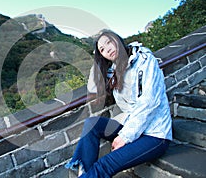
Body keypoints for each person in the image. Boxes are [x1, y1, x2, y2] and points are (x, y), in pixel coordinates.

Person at [65, 30, 172, 177]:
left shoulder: (145, 60)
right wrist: (98, 62)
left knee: (104, 164)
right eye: (102, 49)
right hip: (132, 127)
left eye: (109, 42)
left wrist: (125, 137)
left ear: (117, 40)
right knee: (92, 124)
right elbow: (93, 87)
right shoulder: (114, 71)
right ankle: (85, 173)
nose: (107, 49)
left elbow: (149, 102)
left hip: (155, 134)